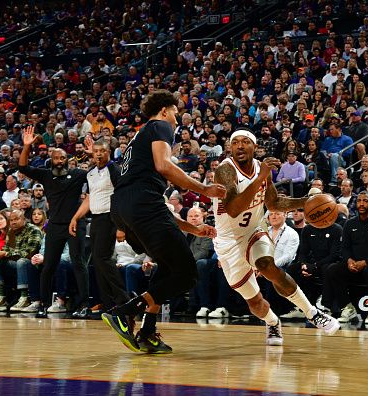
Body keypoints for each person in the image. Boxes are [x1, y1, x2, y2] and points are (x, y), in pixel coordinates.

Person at [102, 90, 225, 354]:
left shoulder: (138, 138)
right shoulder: (159, 125)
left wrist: (192, 228)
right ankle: (125, 312)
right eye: (176, 114)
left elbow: (152, 203)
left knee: (169, 269)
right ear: (166, 111)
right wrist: (205, 189)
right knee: (187, 274)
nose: (177, 120)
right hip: (141, 204)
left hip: (124, 207)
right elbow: (163, 165)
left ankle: (147, 333)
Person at [212, 128, 340, 346]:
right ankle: (272, 322)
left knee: (266, 265)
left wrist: (306, 201)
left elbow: (273, 204)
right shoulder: (225, 170)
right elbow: (233, 209)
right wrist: (261, 177)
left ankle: (312, 313)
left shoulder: (261, 171)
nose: (240, 146)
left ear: (255, 147)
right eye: (235, 143)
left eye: (245, 142)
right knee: (255, 303)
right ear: (230, 148)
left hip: (253, 232)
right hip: (228, 242)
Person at [19, 126, 90, 318]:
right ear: (51, 161)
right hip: (55, 225)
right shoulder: (45, 175)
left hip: (75, 224)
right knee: (49, 265)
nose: (59, 161)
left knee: (78, 262)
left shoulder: (77, 175)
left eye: (62, 158)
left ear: (67, 160)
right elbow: (23, 167)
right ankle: (42, 303)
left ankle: (84, 304)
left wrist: (91, 155)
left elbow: (98, 173)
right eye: (56, 158)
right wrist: (26, 146)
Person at [69, 138, 128, 312]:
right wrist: (76, 217)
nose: (99, 154)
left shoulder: (114, 169)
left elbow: (122, 196)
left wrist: (121, 226)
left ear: (109, 151)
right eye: (96, 151)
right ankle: (108, 303)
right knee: (97, 260)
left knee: (103, 258)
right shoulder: (91, 173)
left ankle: (123, 299)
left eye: (102, 151)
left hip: (110, 218)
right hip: (95, 219)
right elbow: (89, 198)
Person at [324, 191, 368, 324]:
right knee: (332, 269)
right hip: (354, 264)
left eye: (365, 201)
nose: (361, 204)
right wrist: (349, 260)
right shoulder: (350, 224)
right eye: (359, 200)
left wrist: (366, 262)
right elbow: (344, 248)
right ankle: (348, 307)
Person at [282, 220, 342, 320]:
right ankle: (299, 307)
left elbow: (335, 255)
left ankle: (326, 307)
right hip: (312, 263)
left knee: (328, 269)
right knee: (291, 269)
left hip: (330, 262)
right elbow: (303, 252)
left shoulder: (337, 229)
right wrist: (304, 264)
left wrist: (315, 265)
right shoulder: (307, 229)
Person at [0, 210, 42, 311]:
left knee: (22, 261)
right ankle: (0, 297)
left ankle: (25, 297)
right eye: (11, 220)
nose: (13, 222)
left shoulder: (33, 230)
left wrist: (5, 254)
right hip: (15, 264)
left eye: (16, 219)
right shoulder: (11, 232)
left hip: (32, 265)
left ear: (24, 219)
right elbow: (6, 249)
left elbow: (29, 252)